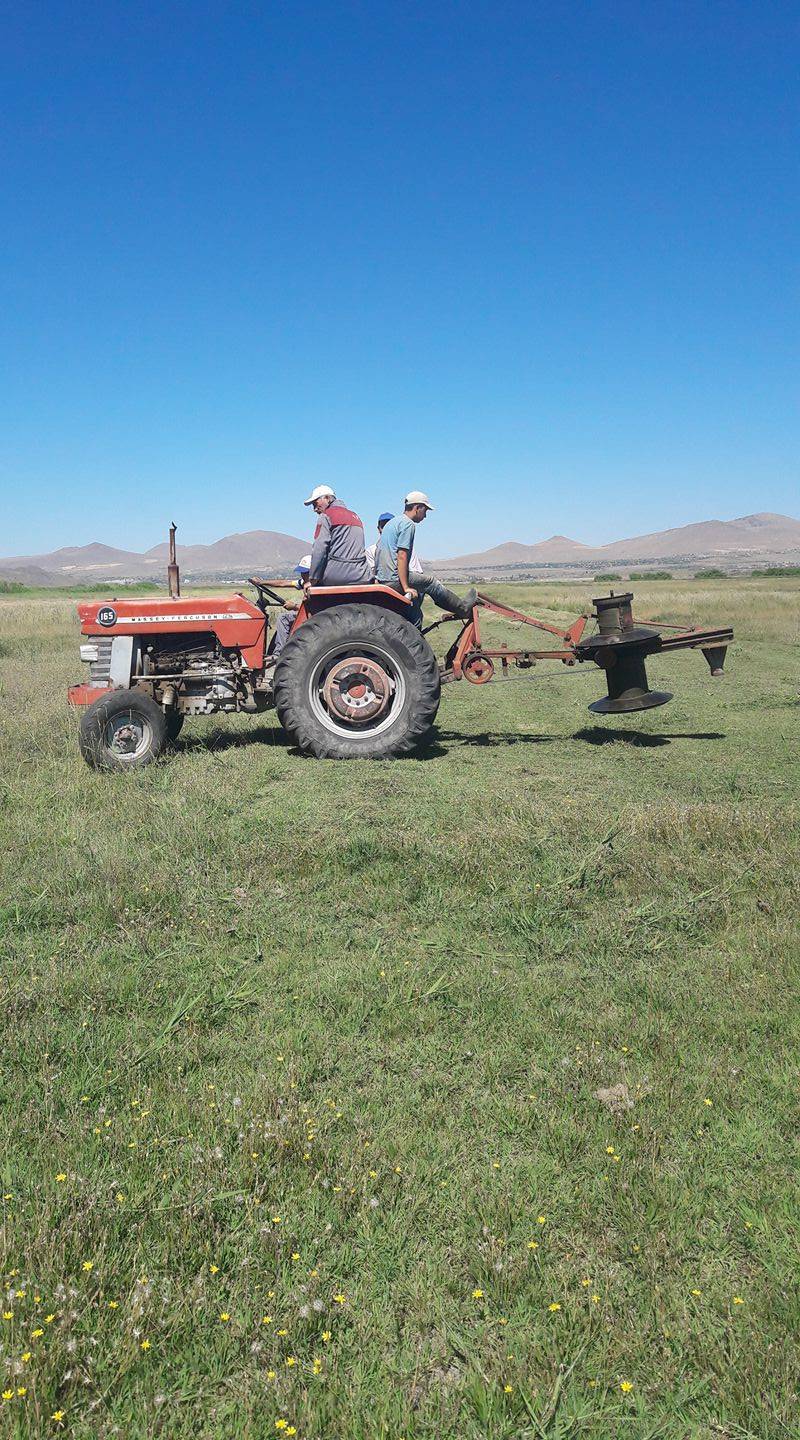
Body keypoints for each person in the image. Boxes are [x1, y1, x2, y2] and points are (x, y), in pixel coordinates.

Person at [375, 491, 477, 624]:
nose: (425, 515)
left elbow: (378, 551)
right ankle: (463, 608)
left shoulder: (392, 523)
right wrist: (405, 587)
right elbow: (402, 555)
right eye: (425, 510)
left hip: (383, 579)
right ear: (417, 508)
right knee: (430, 582)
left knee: (415, 607)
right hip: (394, 579)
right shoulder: (407, 524)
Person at [304, 485, 370, 586]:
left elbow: (319, 549)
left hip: (336, 576)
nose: (314, 509)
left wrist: (313, 578)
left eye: (315, 503)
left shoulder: (326, 516)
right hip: (362, 575)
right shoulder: (355, 516)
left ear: (327, 498)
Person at [270, 556, 310, 659]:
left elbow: (315, 608)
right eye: (302, 572)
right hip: (307, 613)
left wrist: (294, 607)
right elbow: (283, 583)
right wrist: (261, 582)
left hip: (312, 616)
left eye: (306, 572)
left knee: (283, 618)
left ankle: (280, 653)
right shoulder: (304, 583)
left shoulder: (317, 586)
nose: (302, 574)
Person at [366, 512, 423, 580]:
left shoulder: (405, 547)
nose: (386, 529)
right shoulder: (371, 550)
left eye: (389, 526)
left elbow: (415, 571)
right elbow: (372, 574)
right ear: (378, 529)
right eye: (384, 526)